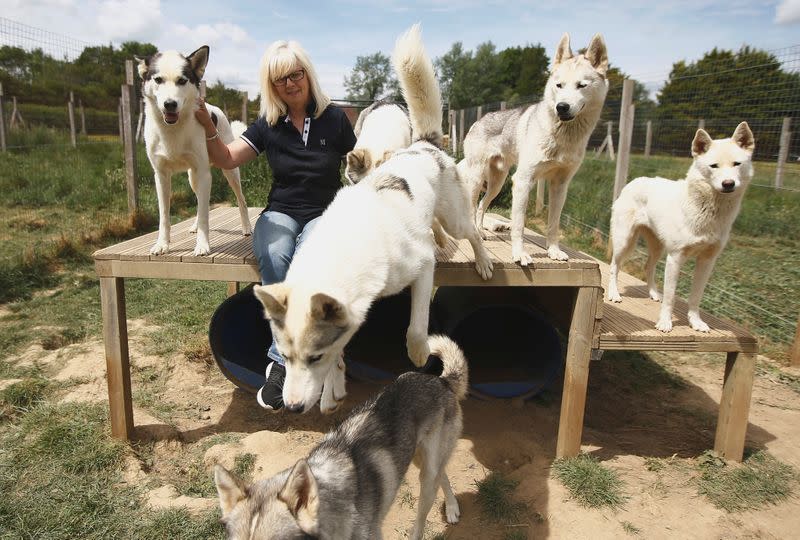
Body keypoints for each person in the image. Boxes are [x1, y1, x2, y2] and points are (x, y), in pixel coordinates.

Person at [195, 40, 356, 412]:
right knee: (275, 251)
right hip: (281, 210)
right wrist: (206, 124)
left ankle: (281, 360)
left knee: (305, 260)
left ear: (307, 74)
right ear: (272, 84)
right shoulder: (269, 123)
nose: (290, 83)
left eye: (295, 74)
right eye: (280, 78)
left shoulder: (334, 118)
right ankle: (288, 360)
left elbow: (357, 161)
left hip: (324, 212)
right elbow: (226, 157)